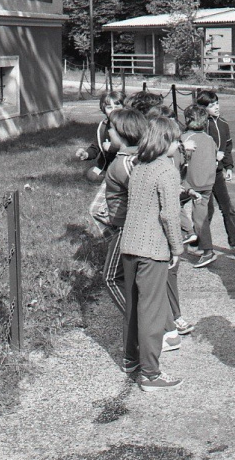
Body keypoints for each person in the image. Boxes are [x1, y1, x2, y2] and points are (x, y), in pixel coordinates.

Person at [119, 116, 185, 391]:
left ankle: (130, 359)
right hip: (152, 248)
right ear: (165, 141)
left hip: (129, 245)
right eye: (176, 139)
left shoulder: (139, 165)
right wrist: (177, 248)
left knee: (133, 306)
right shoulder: (167, 170)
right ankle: (150, 373)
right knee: (152, 312)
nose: (180, 145)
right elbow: (169, 214)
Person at [102, 108, 146, 315]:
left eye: (111, 129)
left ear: (123, 134)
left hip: (126, 227)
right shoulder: (134, 158)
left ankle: (135, 318)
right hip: (125, 224)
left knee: (111, 277)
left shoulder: (125, 163)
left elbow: (143, 192)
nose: (108, 133)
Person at [196, 91, 235, 256]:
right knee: (207, 210)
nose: (216, 107)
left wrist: (229, 167)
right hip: (203, 174)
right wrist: (212, 155)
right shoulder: (200, 127)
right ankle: (199, 243)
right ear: (203, 108)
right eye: (211, 105)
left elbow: (228, 148)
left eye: (217, 103)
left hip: (217, 174)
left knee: (227, 208)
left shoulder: (223, 124)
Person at [180, 105, 219, 270]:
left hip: (189, 182)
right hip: (207, 183)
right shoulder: (209, 139)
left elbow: (180, 159)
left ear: (187, 120)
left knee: (174, 204)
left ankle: (188, 232)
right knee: (201, 217)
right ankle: (208, 250)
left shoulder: (184, 138)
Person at [74, 90, 124, 182]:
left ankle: (115, 178)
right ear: (104, 109)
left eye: (117, 107)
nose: (113, 110)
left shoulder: (127, 125)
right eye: (109, 107)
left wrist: (113, 147)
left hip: (123, 164)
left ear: (124, 107)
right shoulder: (103, 126)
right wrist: (86, 154)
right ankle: (108, 177)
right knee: (92, 173)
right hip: (107, 165)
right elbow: (96, 146)